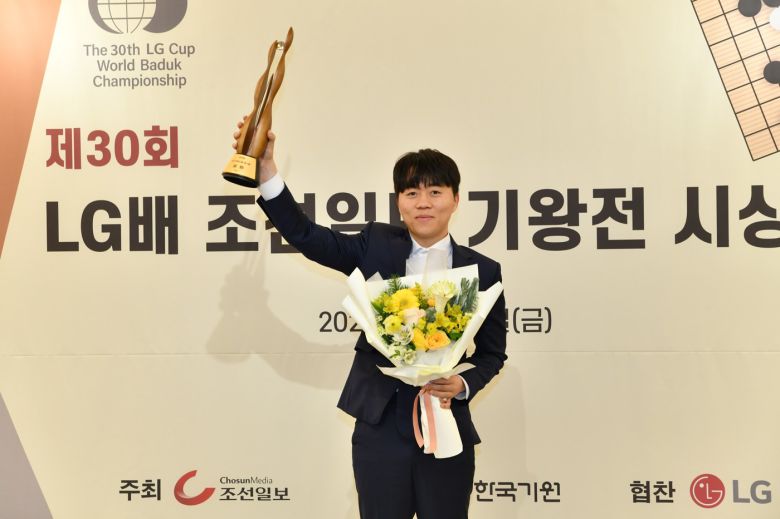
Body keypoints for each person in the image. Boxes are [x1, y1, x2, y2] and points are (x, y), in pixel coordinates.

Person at [238, 126, 507, 519]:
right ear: (399, 202)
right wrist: (266, 171)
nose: (423, 203)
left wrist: (462, 384)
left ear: (455, 200)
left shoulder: (483, 270)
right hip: (381, 427)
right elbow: (307, 236)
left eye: (435, 192)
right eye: (411, 193)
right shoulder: (376, 244)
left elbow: (492, 354)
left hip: (447, 423)